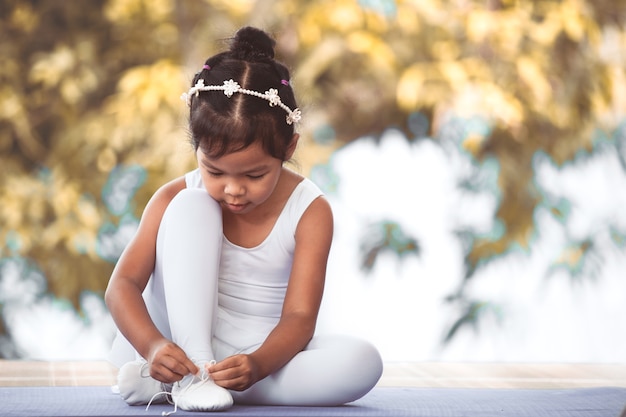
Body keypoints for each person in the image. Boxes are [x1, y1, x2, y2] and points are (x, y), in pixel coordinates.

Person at [104, 26, 383, 413]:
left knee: (363, 363)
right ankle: (188, 371)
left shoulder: (309, 211)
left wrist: (257, 365)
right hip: (178, 342)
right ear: (195, 146)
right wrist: (153, 346)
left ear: (289, 147)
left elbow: (300, 317)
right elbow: (122, 286)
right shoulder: (174, 196)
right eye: (215, 172)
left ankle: (198, 383)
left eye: (254, 176)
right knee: (191, 205)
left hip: (257, 351)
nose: (233, 190)